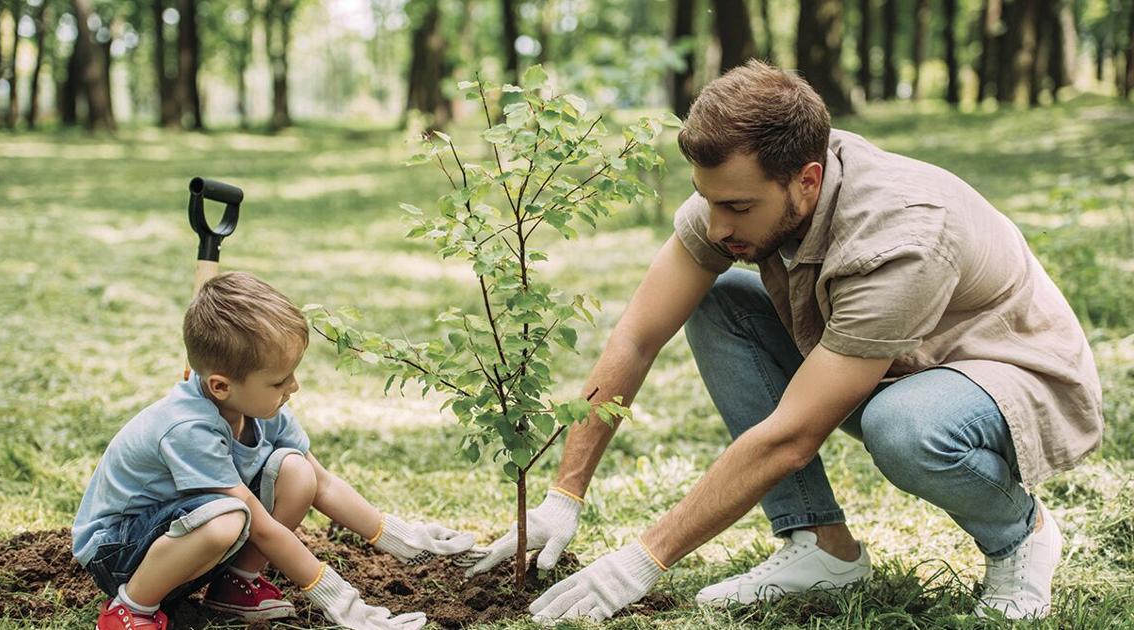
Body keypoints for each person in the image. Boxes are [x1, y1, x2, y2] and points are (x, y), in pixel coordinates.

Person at [468, 60, 1103, 622]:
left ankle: (1019, 534)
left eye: (738, 208)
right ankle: (820, 547)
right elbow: (636, 335)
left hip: (1005, 374)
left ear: (806, 179)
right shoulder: (736, 194)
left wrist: (643, 559)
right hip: (890, 358)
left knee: (903, 425)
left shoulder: (901, 238)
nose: (718, 227)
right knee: (719, 304)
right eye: (706, 200)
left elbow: (794, 436)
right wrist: (563, 495)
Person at [72, 271, 476, 630]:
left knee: (296, 472)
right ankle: (131, 609)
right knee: (231, 516)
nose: (293, 387)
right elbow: (260, 525)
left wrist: (400, 538)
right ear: (220, 386)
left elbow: (322, 483)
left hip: (182, 534)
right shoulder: (188, 427)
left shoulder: (259, 407)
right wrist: (338, 597)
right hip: (119, 550)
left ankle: (233, 585)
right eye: (280, 380)